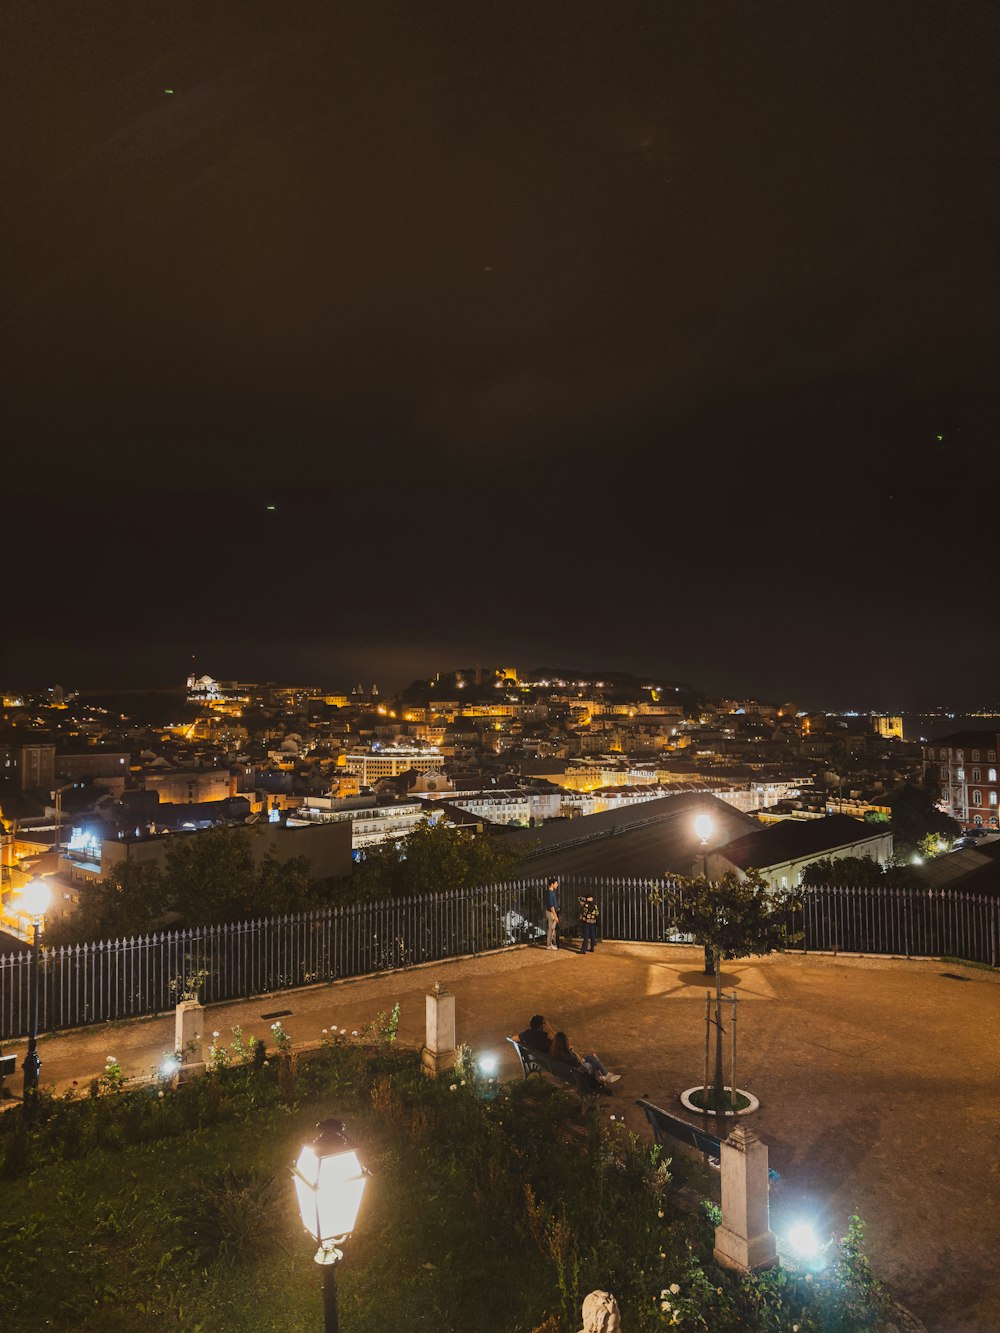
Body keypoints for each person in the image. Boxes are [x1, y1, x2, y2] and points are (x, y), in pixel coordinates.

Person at [550, 1030, 620, 1086]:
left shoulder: (556, 1053)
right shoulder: (570, 1056)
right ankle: (606, 1076)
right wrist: (572, 1051)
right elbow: (579, 1062)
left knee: (590, 1057)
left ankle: (604, 1076)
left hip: (567, 1074)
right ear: (565, 1043)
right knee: (594, 1060)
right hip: (578, 1073)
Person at [544, 876, 560, 950]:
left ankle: (550, 944)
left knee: (551, 929)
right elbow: (551, 906)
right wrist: (555, 916)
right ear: (552, 884)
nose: (557, 885)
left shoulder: (550, 892)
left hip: (550, 912)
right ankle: (550, 945)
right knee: (551, 929)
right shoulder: (550, 893)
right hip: (551, 913)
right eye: (556, 883)